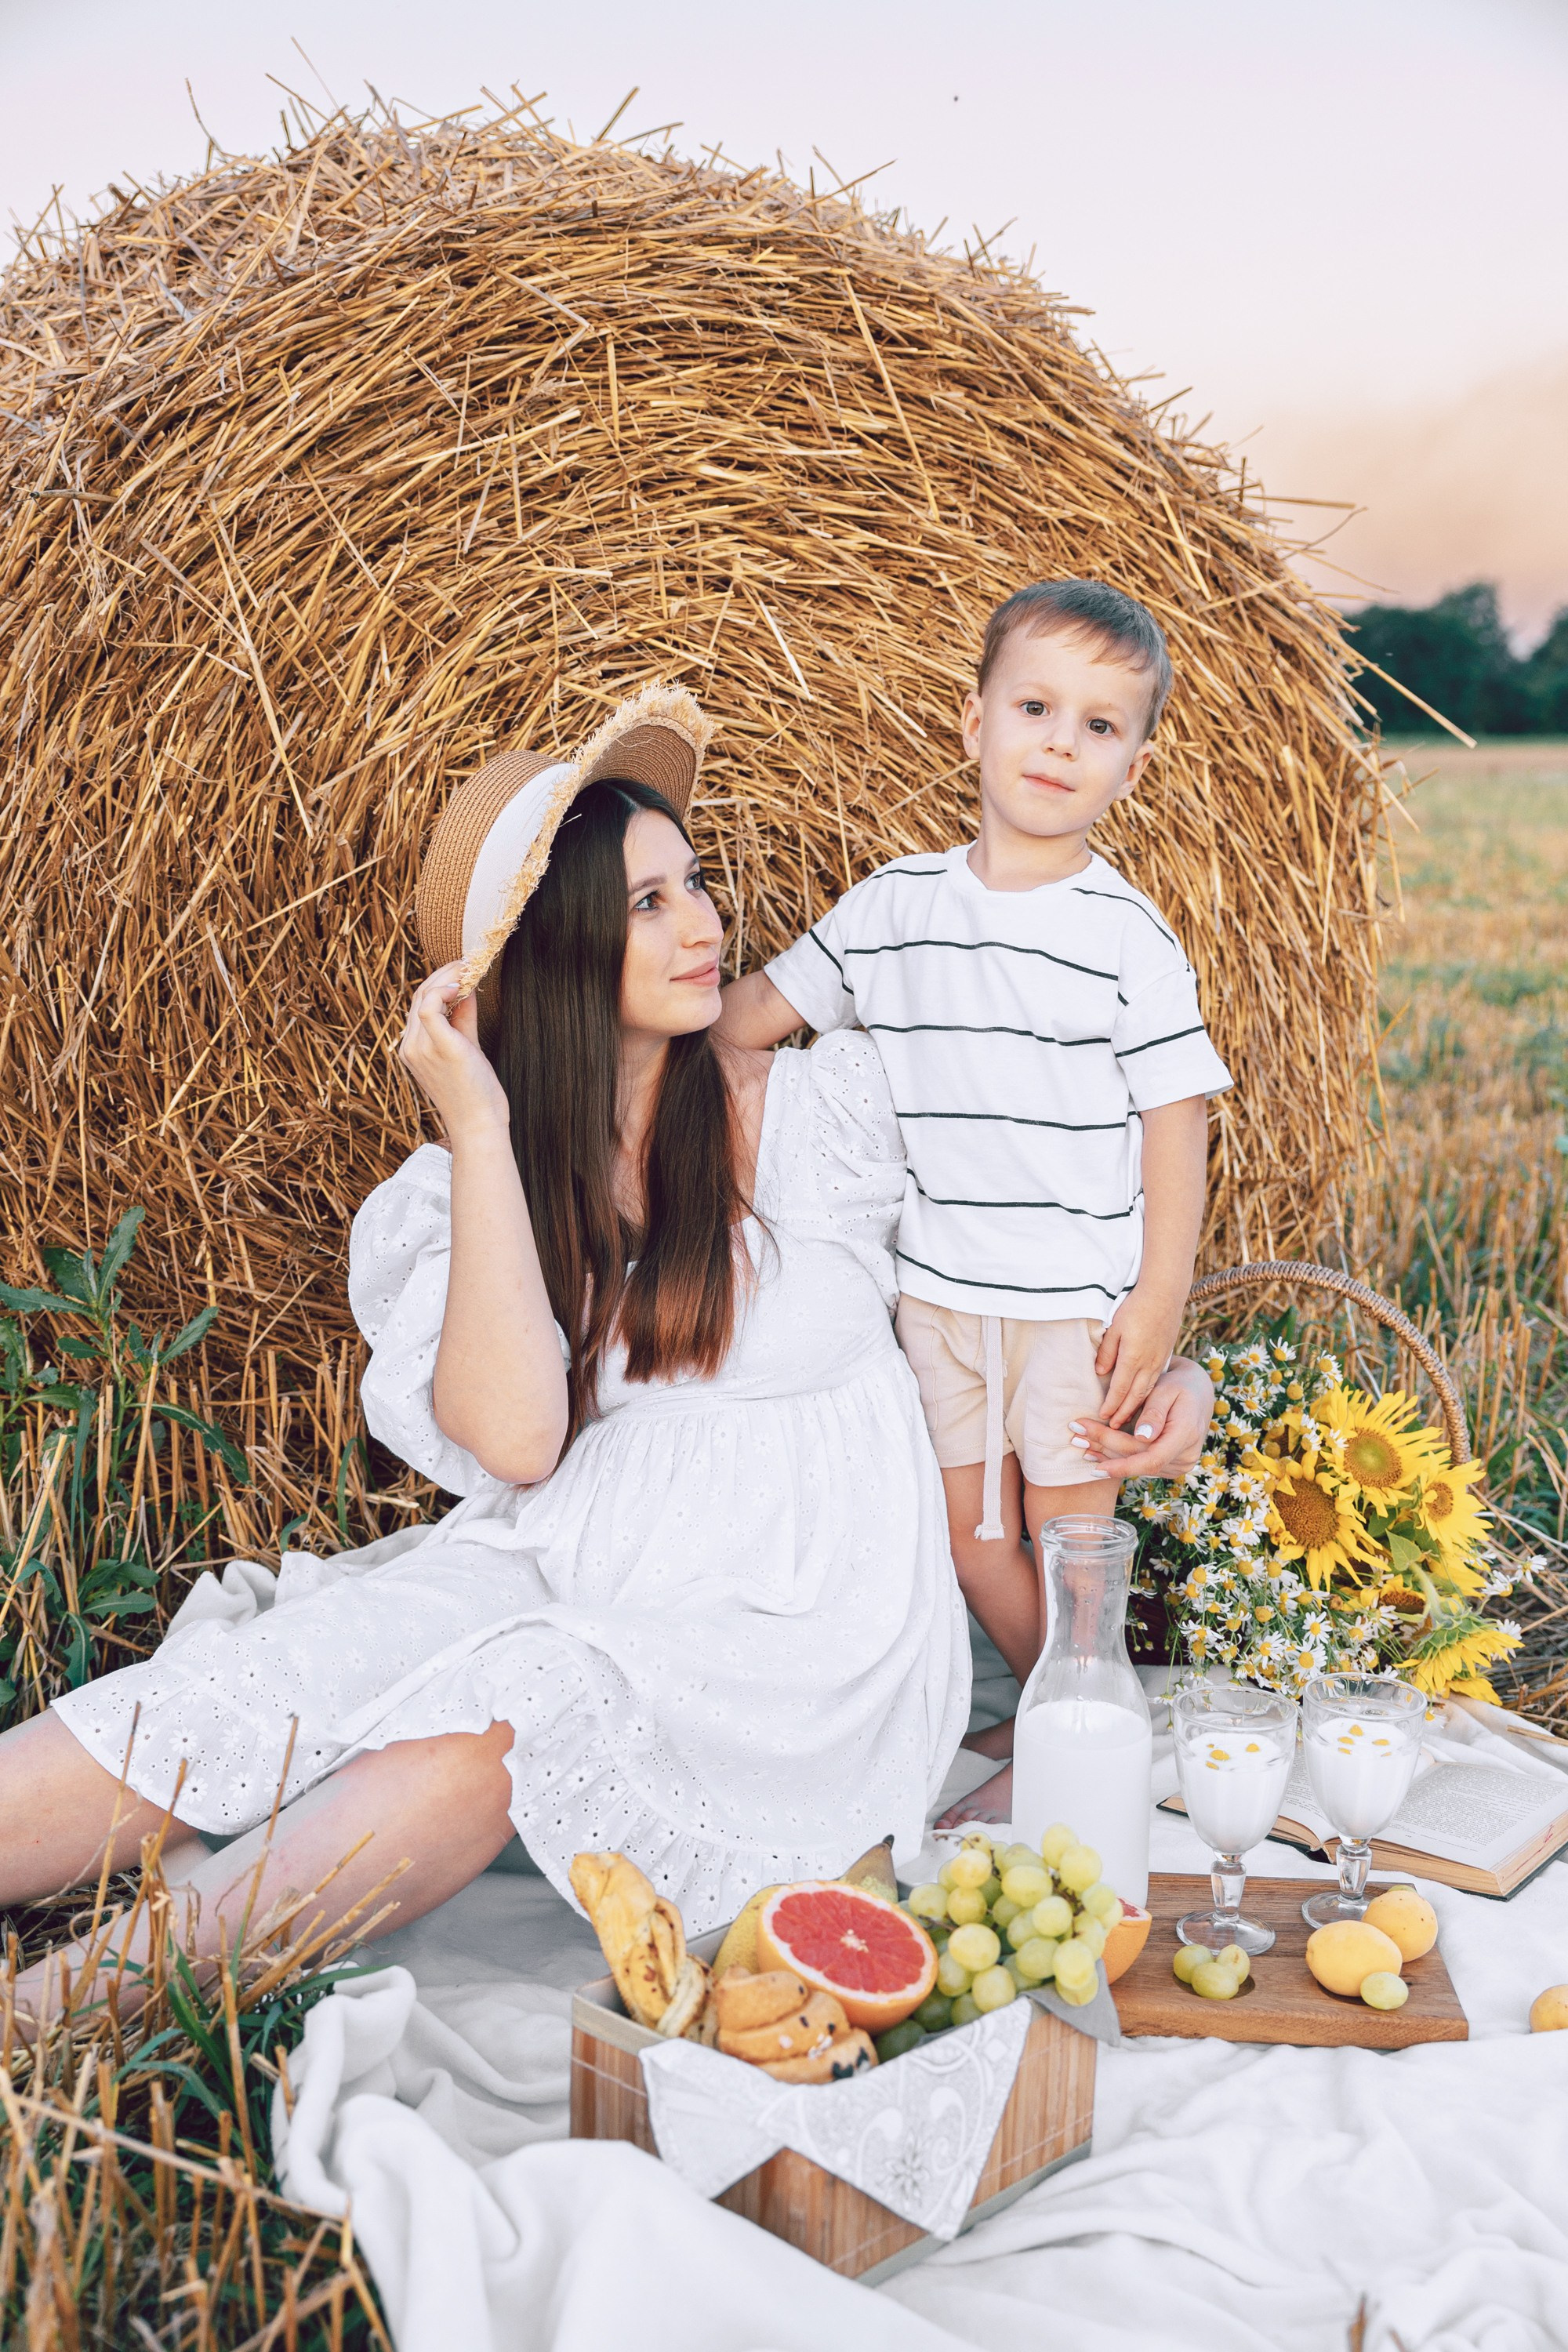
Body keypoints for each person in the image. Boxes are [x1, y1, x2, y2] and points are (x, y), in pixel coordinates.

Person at [0, 684, 1210, 2020]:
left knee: (510, 1715)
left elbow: (1042, 1235)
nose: (706, 926)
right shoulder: (467, 1188)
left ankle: (48, 2022)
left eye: (692, 885)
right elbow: (518, 1445)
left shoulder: (834, 1110)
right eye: (648, 904)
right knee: (262, 1679)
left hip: (798, 1625)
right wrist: (476, 1128)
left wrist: (1172, 1367)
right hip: (563, 1553)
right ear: (559, 951)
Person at [716, 583, 1232, 1820]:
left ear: (1134, 765)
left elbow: (1178, 1120)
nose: (1062, 741)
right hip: (935, 1303)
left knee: (1071, 1549)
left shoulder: (1127, 938)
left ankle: (1086, 1724)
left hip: (1071, 1311)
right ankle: (1078, 1717)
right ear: (973, 723)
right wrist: (620, 1022)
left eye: (1102, 727)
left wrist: (1158, 1297)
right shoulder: (894, 907)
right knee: (971, 1547)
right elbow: (747, 1022)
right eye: (1038, 707)